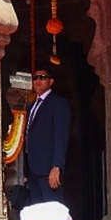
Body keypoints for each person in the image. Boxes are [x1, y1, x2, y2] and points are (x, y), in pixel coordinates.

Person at [21, 68, 70, 205]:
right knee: (38, 211)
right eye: (35, 78)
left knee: (52, 208)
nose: (38, 81)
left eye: (42, 77)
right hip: (33, 169)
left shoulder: (58, 104)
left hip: (49, 168)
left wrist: (57, 166)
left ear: (51, 81)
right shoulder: (31, 107)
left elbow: (61, 136)